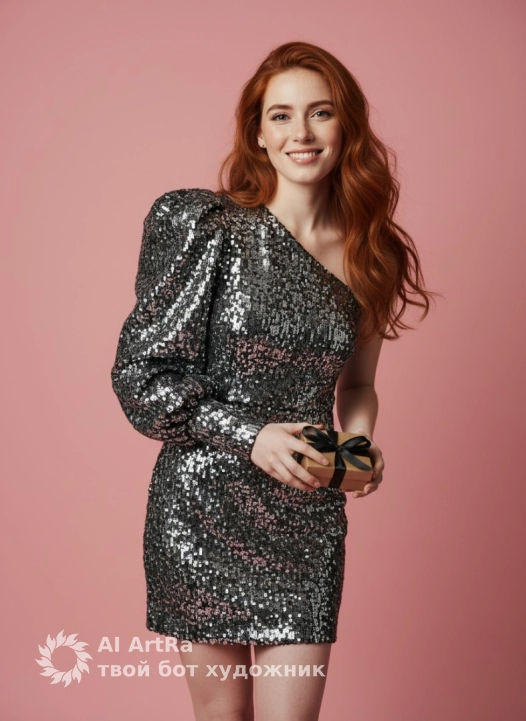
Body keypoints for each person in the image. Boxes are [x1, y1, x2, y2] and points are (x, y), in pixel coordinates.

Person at [110, 41, 435, 721]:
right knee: (223, 716)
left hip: (305, 515)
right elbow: (141, 375)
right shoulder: (210, 228)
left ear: (345, 126)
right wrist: (251, 435)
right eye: (281, 115)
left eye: (320, 112)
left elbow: (358, 387)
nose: (301, 133)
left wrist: (360, 446)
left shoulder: (371, 252)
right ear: (258, 133)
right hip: (202, 505)